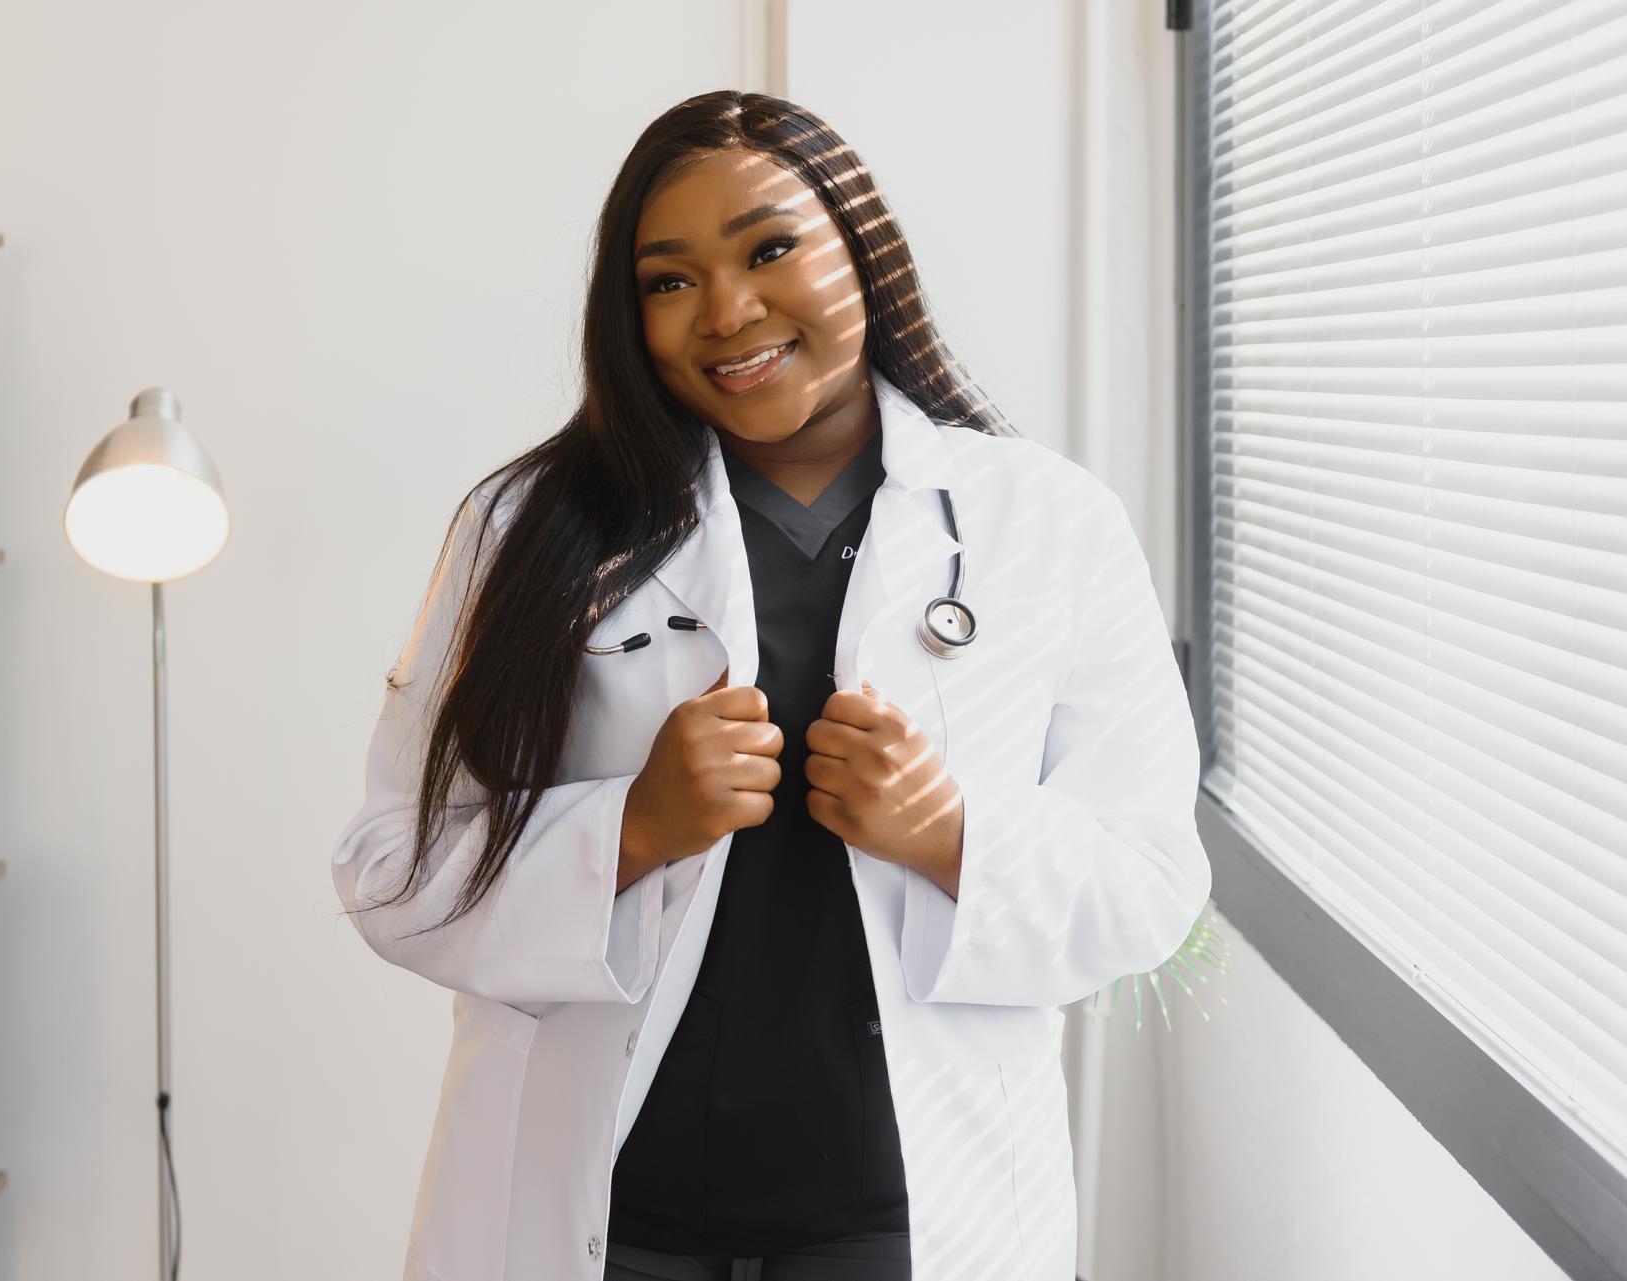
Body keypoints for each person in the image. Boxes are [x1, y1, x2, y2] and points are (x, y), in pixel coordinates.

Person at [332, 89, 1211, 1281]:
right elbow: (395, 871)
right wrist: (629, 831)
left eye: (771, 247)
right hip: (600, 1200)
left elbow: (1150, 888)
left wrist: (952, 834)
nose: (728, 312)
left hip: (905, 1209)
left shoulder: (1045, 523)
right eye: (668, 279)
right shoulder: (526, 529)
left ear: (862, 248)